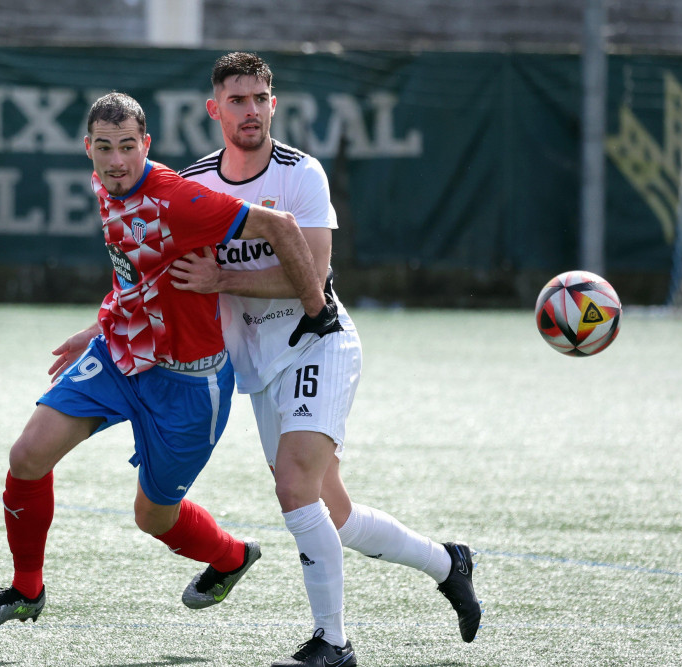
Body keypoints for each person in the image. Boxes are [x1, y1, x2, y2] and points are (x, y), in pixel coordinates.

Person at [0, 91, 340, 636]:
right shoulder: (106, 183)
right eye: (105, 148)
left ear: (147, 145)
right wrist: (99, 326)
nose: (117, 161)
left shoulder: (178, 200)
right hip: (120, 352)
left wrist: (317, 310)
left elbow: (279, 227)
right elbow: (137, 270)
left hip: (190, 385)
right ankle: (25, 590)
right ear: (88, 149)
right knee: (27, 456)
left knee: (151, 517)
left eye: (128, 147)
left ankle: (231, 557)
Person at [171, 53, 482, 666]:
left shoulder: (301, 172)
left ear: (273, 105)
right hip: (259, 365)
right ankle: (448, 563)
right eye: (237, 100)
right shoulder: (194, 185)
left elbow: (313, 274)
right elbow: (166, 273)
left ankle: (332, 644)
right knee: (331, 514)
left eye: (261, 98)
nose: (251, 110)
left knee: (293, 486)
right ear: (214, 110)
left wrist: (222, 280)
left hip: (321, 342)